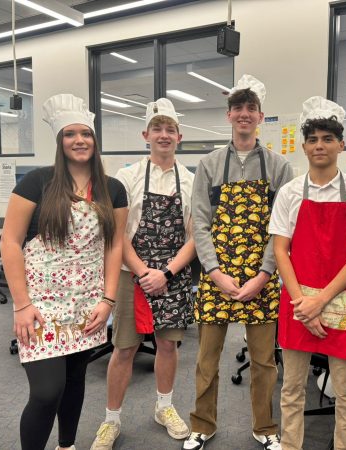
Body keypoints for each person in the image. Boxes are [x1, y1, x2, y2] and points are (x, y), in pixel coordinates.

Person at [1, 93, 128, 450]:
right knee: (46, 391)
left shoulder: (112, 189)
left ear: (94, 140)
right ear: (60, 141)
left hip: (87, 301)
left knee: (74, 380)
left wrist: (107, 299)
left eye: (85, 134)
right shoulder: (37, 182)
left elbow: (114, 246)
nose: (79, 140)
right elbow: (9, 243)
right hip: (40, 303)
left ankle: (67, 445)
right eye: (70, 134)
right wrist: (21, 304)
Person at [184, 74, 293, 450]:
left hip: (261, 278)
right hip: (217, 278)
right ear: (229, 115)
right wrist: (214, 273)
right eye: (238, 109)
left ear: (260, 116)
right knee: (206, 361)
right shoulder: (209, 164)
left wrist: (263, 276)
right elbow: (199, 223)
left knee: (264, 363)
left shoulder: (280, 167)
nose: (244, 115)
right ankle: (202, 424)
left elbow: (281, 229)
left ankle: (265, 428)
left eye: (251, 109)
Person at [269, 96, 346, 450]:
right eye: (313, 139)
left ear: (341, 145)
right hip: (297, 298)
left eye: (327, 138)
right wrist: (304, 303)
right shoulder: (289, 193)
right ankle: (290, 445)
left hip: (340, 298)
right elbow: (280, 250)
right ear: (303, 146)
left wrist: (320, 301)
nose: (319, 145)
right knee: (292, 387)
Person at [91, 98, 196, 449]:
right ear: (145, 134)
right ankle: (111, 420)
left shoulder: (191, 181)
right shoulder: (127, 177)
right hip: (129, 273)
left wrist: (165, 272)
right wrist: (141, 271)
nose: (163, 135)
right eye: (157, 129)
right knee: (125, 348)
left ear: (179, 136)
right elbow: (117, 232)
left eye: (170, 129)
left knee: (168, 344)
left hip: (174, 273)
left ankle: (164, 407)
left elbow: (196, 236)